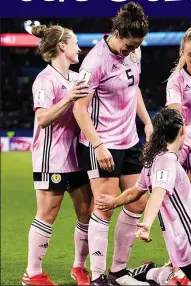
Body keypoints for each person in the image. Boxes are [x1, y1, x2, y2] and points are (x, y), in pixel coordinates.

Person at [95, 108, 191, 286]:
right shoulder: (168, 161)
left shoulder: (153, 160)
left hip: (185, 248)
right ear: (182, 130)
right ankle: (160, 276)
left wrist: (114, 202)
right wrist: (146, 224)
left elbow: (135, 191)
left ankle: (154, 274)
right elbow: (158, 193)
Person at [73, 2, 152, 285]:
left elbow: (134, 89)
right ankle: (97, 277)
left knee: (138, 201)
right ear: (116, 32)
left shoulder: (135, 51)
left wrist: (148, 122)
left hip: (130, 139)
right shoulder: (94, 63)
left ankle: (118, 271)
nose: (131, 51)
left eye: (136, 46)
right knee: (104, 206)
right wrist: (98, 145)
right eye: (128, 45)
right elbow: (79, 110)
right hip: (102, 142)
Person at [22, 24, 93, 286]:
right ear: (62, 47)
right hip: (50, 158)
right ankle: (32, 272)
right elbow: (42, 118)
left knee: (87, 210)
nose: (79, 48)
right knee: (48, 214)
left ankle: (79, 267)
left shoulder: (74, 78)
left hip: (77, 157)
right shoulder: (45, 79)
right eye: (75, 43)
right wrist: (67, 99)